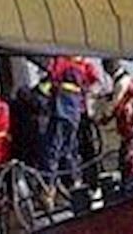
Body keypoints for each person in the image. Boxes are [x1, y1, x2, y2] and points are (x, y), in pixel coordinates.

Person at [39, 55, 89, 200]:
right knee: (70, 150)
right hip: (74, 115)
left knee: (52, 150)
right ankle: (75, 183)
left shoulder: (61, 66)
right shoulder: (80, 69)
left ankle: (49, 188)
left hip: (61, 113)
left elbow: (46, 87)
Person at [96, 57, 133, 183]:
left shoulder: (121, 82)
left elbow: (115, 104)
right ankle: (129, 178)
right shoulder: (124, 79)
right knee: (127, 151)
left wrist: (102, 118)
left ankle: (131, 180)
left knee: (129, 153)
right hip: (125, 124)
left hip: (128, 123)